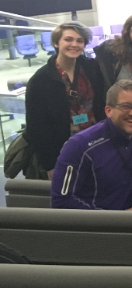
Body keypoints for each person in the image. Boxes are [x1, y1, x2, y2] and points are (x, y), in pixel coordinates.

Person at [51, 79, 132, 210]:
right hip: (96, 226)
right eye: (126, 106)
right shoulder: (79, 146)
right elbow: (62, 201)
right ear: (109, 111)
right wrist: (114, 220)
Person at [24, 22, 106, 179]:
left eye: (79, 40)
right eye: (68, 39)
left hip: (96, 140)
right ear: (56, 43)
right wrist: (50, 165)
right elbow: (36, 126)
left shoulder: (91, 68)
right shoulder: (41, 80)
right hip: (63, 148)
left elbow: (101, 103)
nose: (74, 44)